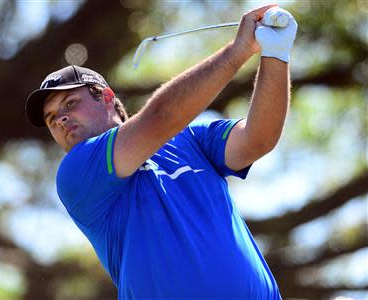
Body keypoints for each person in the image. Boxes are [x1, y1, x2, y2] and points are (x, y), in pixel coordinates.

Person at [25, 4, 297, 299]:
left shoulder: (190, 139)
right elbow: (160, 118)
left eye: (69, 104)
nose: (61, 119)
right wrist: (238, 51)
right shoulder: (76, 172)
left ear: (105, 97)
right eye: (52, 119)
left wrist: (275, 54)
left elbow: (258, 139)